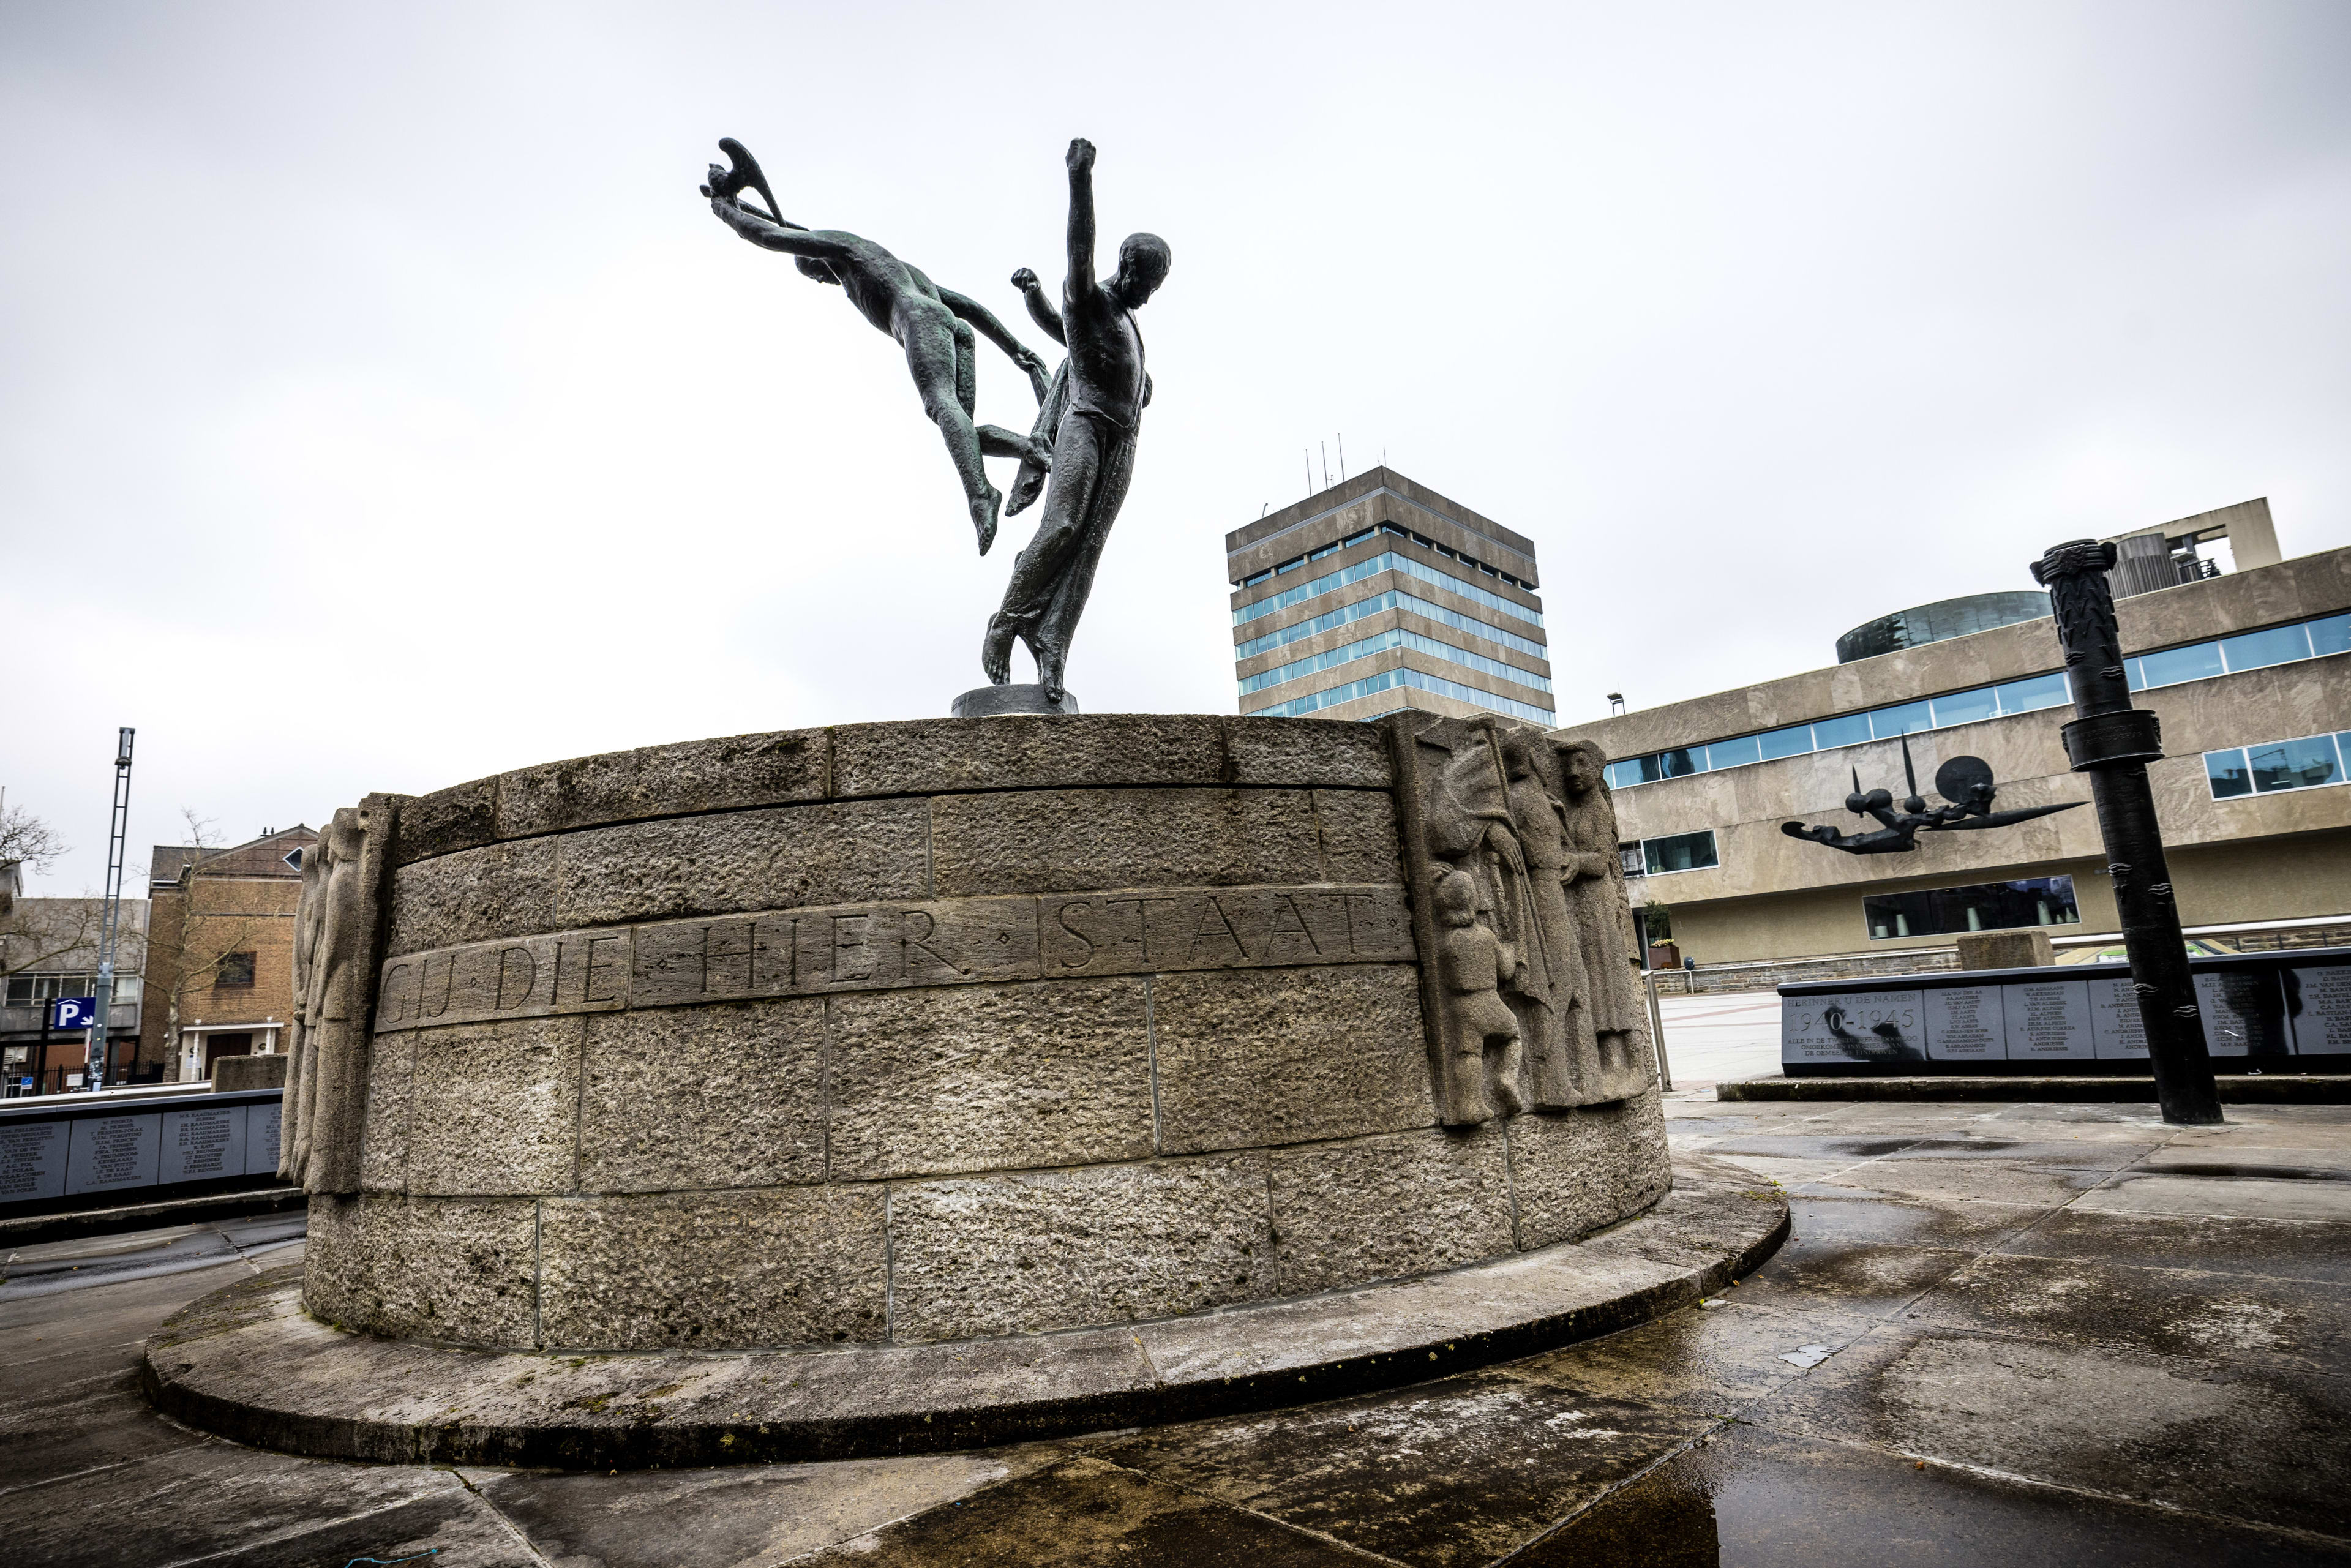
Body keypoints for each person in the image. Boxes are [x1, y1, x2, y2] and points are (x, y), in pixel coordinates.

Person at [704, 148, 1052, 555]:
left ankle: (981, 497)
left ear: (819, 259)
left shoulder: (844, 252)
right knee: (961, 434)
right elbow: (968, 309)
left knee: (941, 406)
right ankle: (1029, 447)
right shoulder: (888, 263)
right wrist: (1016, 349)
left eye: (815, 273)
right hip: (951, 328)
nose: (822, 280)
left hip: (918, 322)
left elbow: (774, 237)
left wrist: (726, 211)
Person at [980, 138, 1171, 702]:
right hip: (1084, 425)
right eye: (1148, 284)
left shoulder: (1129, 322)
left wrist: (1140, 386)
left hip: (1123, 441)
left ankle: (1053, 642)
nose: (1150, 296)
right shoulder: (1088, 299)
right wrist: (1079, 179)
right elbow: (1079, 250)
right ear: (1128, 267)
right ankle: (1006, 621)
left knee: (1091, 544)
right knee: (1062, 526)